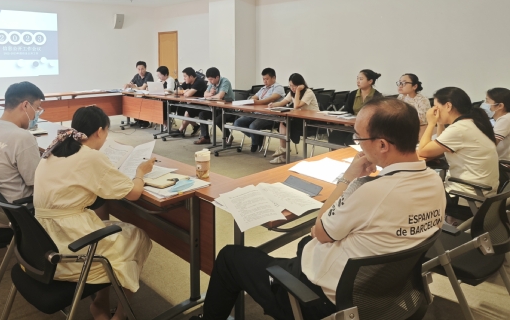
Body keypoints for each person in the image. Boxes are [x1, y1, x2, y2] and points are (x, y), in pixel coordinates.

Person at [191, 98, 445, 320]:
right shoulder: (434, 182)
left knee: (230, 257)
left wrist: (348, 178)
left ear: (382, 145)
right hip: (381, 293)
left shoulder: (372, 191)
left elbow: (319, 231)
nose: (357, 144)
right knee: (301, 246)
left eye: (359, 138)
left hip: (321, 300)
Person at [34, 106, 154, 320]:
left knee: (109, 235)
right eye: (106, 133)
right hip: (67, 246)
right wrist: (140, 172)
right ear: (99, 131)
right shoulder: (89, 156)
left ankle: (100, 302)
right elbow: (134, 193)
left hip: (41, 243)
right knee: (137, 237)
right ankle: (120, 315)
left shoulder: (55, 149)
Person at [418, 87, 498, 222]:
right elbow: (440, 143)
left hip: (466, 196)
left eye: (436, 107)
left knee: (415, 192)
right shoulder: (473, 122)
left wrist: (431, 123)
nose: (434, 111)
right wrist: (439, 123)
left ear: (448, 106)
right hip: (482, 192)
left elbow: (423, 151)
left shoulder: (460, 129)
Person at [268, 73, 319, 164]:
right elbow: (283, 102)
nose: (292, 88)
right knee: (283, 122)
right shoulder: (292, 92)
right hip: (300, 118)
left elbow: (296, 106)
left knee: (285, 123)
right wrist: (273, 105)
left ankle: (283, 152)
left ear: (300, 85)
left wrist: (298, 90)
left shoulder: (308, 92)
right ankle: (283, 150)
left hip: (312, 121)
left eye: (294, 86)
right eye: (290, 86)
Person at [233, 68, 285, 152]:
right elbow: (254, 97)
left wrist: (255, 102)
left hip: (269, 116)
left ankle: (254, 143)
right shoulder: (263, 88)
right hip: (257, 113)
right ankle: (258, 136)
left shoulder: (278, 87)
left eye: (267, 79)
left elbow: (270, 99)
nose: (265, 81)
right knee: (237, 123)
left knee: (253, 126)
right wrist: (250, 101)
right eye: (263, 79)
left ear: (274, 78)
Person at [331, 69, 383, 146]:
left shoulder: (377, 96)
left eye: (361, 79)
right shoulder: (353, 94)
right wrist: (346, 122)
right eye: (357, 78)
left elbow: (377, 116)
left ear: (370, 81)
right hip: (351, 125)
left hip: (367, 127)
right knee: (334, 136)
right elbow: (347, 111)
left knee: (351, 140)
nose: (358, 81)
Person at [194, 67, 234, 145]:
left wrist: (210, 96)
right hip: (217, 109)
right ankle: (205, 138)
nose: (210, 81)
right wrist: (210, 94)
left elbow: (220, 96)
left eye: (211, 79)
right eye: (209, 80)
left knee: (218, 120)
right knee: (202, 114)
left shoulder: (225, 81)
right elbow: (205, 94)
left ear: (217, 77)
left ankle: (228, 136)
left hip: (228, 110)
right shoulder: (212, 83)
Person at [176, 67, 208, 136]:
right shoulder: (188, 82)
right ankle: (196, 126)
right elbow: (177, 90)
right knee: (180, 109)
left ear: (191, 76)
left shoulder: (199, 81)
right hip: (193, 104)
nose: (184, 78)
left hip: (202, 105)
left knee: (187, 112)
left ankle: (180, 131)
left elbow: (188, 94)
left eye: (185, 76)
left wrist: (186, 92)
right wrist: (185, 91)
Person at [124, 61, 154, 127]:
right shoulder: (136, 76)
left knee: (139, 102)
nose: (140, 71)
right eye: (139, 69)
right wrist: (127, 85)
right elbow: (131, 84)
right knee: (132, 101)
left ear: (145, 68)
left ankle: (145, 122)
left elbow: (143, 88)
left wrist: (135, 87)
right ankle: (138, 120)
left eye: (142, 69)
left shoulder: (148, 75)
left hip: (148, 97)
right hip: (140, 96)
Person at [483, 87, 510, 161]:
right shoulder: (496, 120)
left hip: (503, 163)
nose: (485, 104)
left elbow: (491, 144)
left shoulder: (506, 119)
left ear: (500, 106)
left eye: (487, 101)